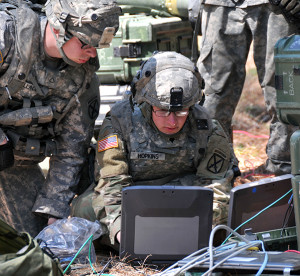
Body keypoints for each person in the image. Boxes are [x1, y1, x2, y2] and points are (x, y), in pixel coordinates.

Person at [71, 51, 239, 250]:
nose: (172, 121)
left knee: (229, 216)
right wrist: (121, 232)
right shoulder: (119, 122)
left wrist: (196, 230)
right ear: (145, 102)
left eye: (181, 111)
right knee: (84, 209)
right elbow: (111, 183)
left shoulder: (208, 129)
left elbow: (216, 189)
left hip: (185, 205)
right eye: (162, 111)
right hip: (133, 205)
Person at [0, 0, 121, 237]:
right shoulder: (7, 37)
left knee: (30, 247)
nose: (92, 52)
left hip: (15, 165)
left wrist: (53, 210)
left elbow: (72, 148)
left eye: (98, 46)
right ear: (59, 29)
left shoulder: (82, 77)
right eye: (86, 43)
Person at [197, 0, 299, 175]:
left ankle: (284, 172)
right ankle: (216, 171)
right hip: (220, 4)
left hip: (276, 5)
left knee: (285, 91)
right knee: (212, 94)